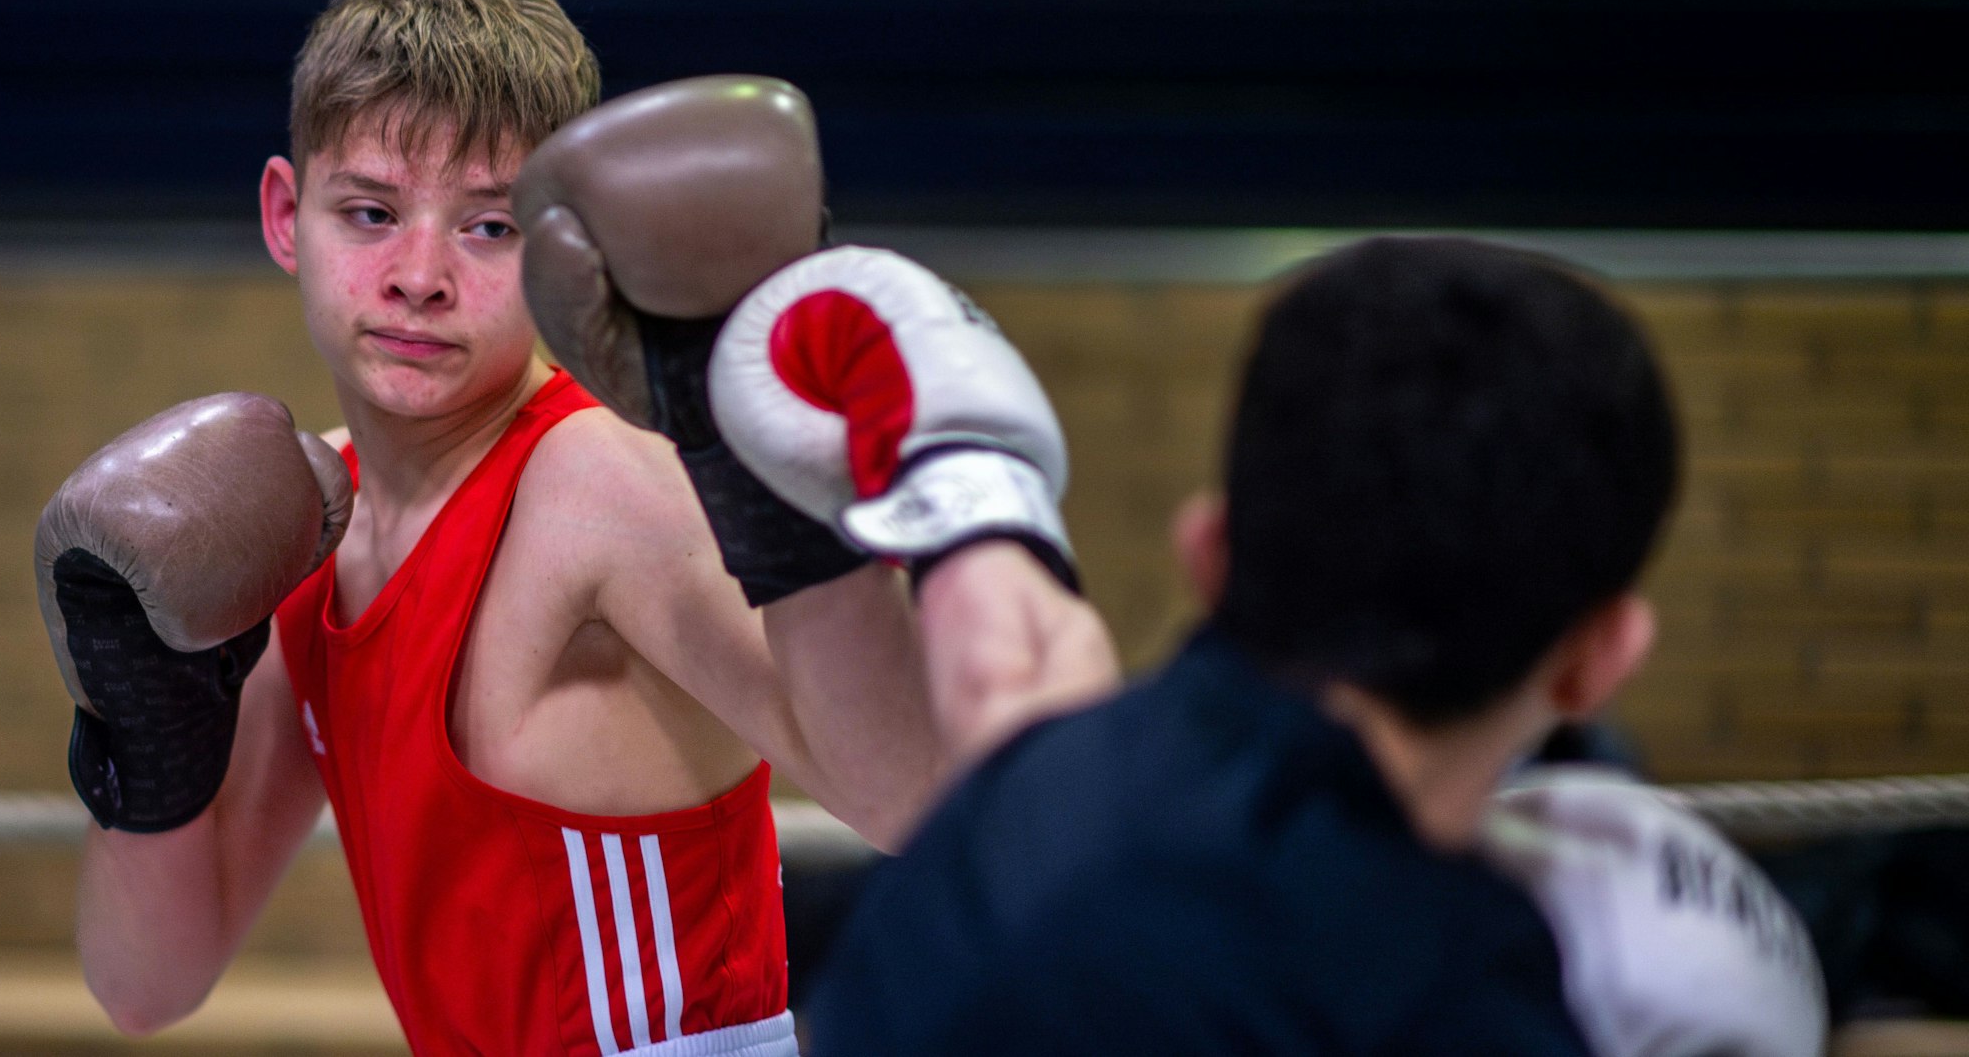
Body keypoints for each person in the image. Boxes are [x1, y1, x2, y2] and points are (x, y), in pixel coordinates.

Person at [37, 0, 951, 1056]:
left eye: (487, 228)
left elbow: (928, 803)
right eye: (371, 211)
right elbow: (148, 985)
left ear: (564, 248)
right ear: (287, 217)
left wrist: (772, 480)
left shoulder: (600, 486)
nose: (419, 274)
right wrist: (146, 726)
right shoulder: (302, 524)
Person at [681, 235, 1829, 1054]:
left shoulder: (1033, 780)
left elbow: (1000, 618)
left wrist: (711, 364)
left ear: (1207, 551)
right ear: (1598, 659)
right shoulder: (1442, 988)